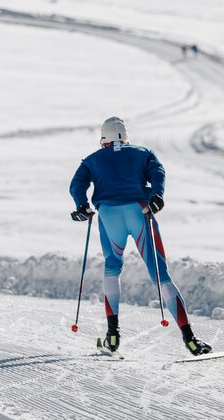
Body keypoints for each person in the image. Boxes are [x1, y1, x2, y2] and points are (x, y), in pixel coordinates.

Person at [69, 116, 211, 356]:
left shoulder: (92, 159)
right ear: (125, 137)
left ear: (103, 139)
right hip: (139, 211)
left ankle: (112, 336)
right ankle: (191, 339)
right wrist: (157, 196)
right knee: (161, 276)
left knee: (112, 269)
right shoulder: (143, 152)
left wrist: (82, 206)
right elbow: (158, 172)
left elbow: (77, 184)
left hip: (109, 215)